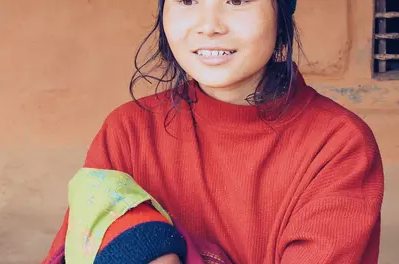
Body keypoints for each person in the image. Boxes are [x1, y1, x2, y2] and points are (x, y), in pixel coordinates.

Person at [43, 0, 384, 263]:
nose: (209, 26)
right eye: (188, 0)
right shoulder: (129, 131)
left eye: (237, 0)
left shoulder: (338, 144)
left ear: (280, 13)